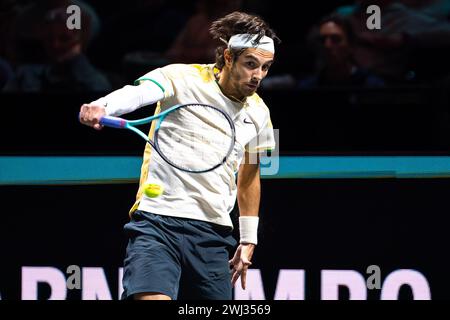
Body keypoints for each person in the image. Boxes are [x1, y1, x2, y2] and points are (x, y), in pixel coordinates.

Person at [79, 11, 280, 300]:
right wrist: (102, 106)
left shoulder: (261, 113)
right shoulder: (179, 77)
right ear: (227, 57)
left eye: (265, 67)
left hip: (213, 235)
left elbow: (250, 176)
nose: (257, 75)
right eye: (250, 64)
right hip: (157, 224)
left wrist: (249, 239)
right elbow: (137, 93)